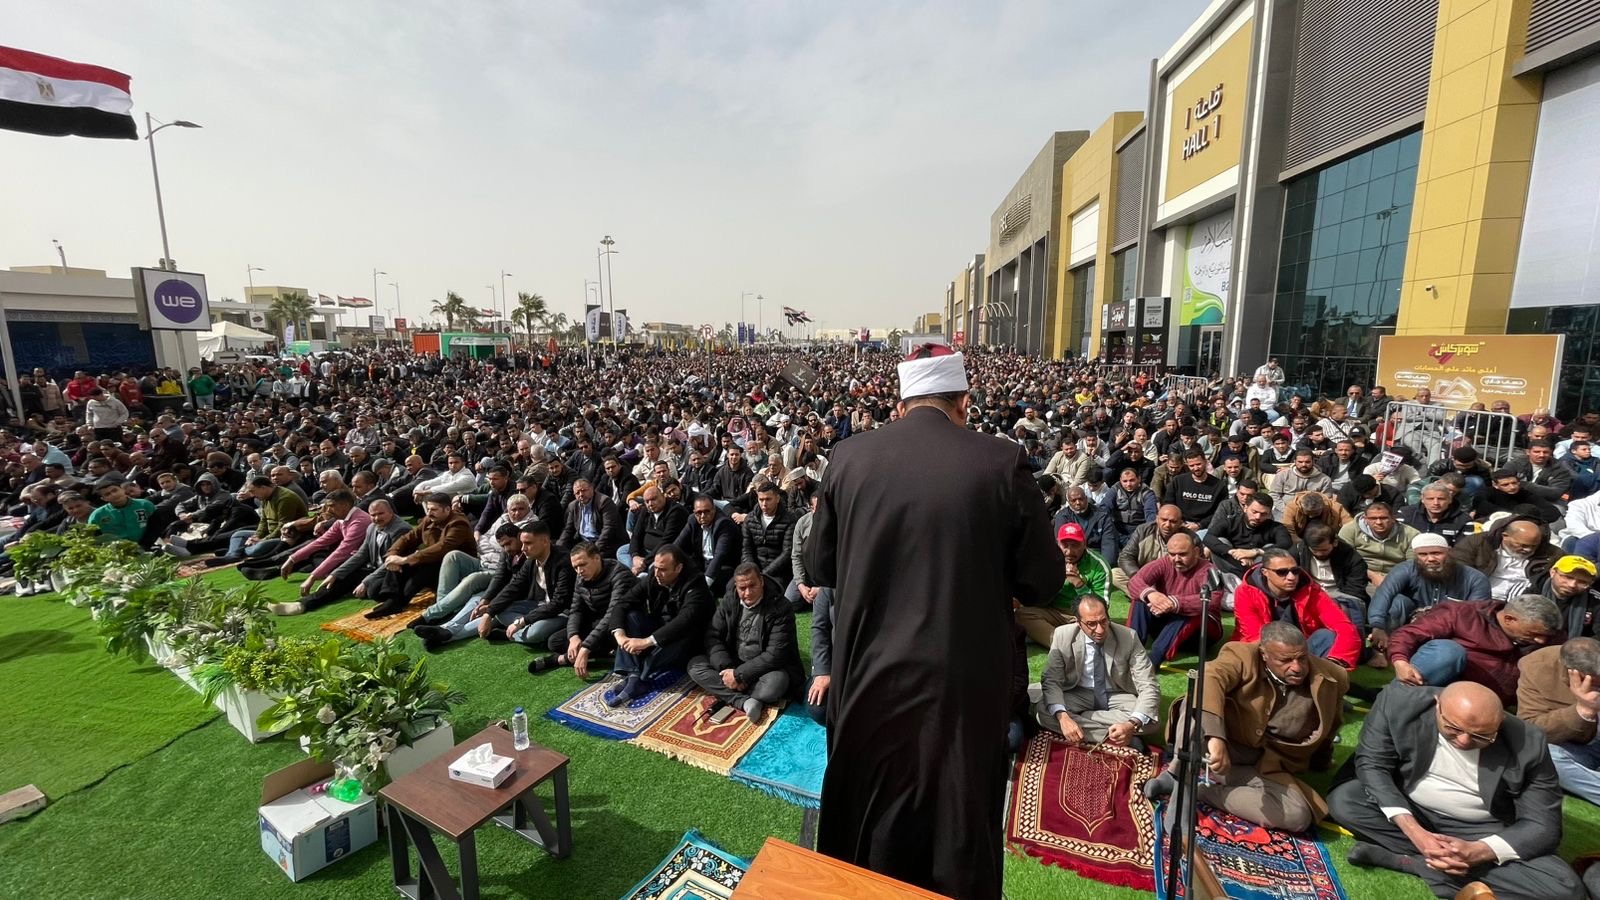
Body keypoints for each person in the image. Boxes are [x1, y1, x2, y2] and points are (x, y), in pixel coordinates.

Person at [803, 345, 1059, 900]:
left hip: (869, 677)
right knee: (957, 820)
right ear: (963, 403)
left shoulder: (848, 456)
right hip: (960, 685)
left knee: (867, 815)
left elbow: (819, 565)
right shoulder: (1001, 460)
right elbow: (1042, 581)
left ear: (901, 405)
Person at [1327, 681, 1582, 900]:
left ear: (1500, 723)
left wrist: (1478, 851)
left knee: (1565, 889)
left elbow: (1543, 824)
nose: (1463, 741)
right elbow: (1372, 764)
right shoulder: (1398, 703)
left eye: (1481, 737)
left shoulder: (1528, 741)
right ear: (1437, 705)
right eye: (1453, 728)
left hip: (1479, 827)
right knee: (1345, 802)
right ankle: (1436, 862)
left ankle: (1414, 863)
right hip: (1411, 806)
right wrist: (1415, 832)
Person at [1146, 623, 1347, 832]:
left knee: (1297, 816)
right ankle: (1182, 785)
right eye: (1285, 660)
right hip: (1223, 748)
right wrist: (1216, 738)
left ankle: (1202, 791)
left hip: (1267, 764)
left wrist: (1322, 761)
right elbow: (1209, 677)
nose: (1297, 667)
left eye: (1302, 658)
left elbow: (1330, 725)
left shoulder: (1331, 678)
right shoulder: (1241, 655)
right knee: (1194, 705)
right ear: (1264, 654)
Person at [1386, 594, 1564, 705]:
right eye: (1534, 634)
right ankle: (1394, 701)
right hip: (1444, 685)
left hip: (1492, 705)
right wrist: (1400, 661)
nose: (1541, 640)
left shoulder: (1550, 639)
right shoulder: (1462, 614)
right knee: (1448, 652)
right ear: (1509, 619)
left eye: (1546, 636)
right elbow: (1409, 633)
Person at [1033, 594, 1159, 747]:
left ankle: (1086, 718)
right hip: (1077, 693)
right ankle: (1111, 737)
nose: (1099, 629)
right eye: (1091, 624)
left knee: (1150, 720)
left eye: (1103, 621)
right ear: (1078, 622)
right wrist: (1063, 718)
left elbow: (1148, 684)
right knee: (1044, 711)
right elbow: (1052, 680)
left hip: (1116, 694)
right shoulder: (1062, 635)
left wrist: (1131, 724)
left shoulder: (1129, 637)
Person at [687, 563, 805, 722]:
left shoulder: (781, 607)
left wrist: (740, 676)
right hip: (733, 663)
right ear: (736, 587)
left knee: (776, 683)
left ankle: (731, 692)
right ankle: (744, 701)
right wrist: (727, 669)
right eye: (742, 588)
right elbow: (713, 636)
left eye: (752, 586)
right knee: (695, 666)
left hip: (765, 670)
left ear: (761, 581)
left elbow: (775, 655)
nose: (748, 592)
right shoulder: (730, 601)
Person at [604, 544, 713, 706]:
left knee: (681, 636)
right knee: (631, 616)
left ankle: (641, 678)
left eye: (663, 570)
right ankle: (633, 675)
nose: (657, 573)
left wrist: (646, 641)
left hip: (687, 639)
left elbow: (684, 621)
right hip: (659, 627)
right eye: (655, 568)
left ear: (678, 568)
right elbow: (623, 603)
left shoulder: (695, 585)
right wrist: (620, 636)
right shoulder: (654, 577)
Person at [271, 499, 410, 615]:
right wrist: (335, 574)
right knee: (339, 578)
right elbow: (361, 554)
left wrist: (366, 582)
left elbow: (391, 562)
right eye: (373, 515)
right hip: (372, 567)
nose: (377, 518)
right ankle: (302, 604)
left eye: (381, 514)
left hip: (392, 571)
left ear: (391, 512)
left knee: (373, 590)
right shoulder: (372, 527)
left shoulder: (401, 529)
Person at [1232, 547, 1362, 669]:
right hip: (1263, 652)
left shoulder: (1311, 590)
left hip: (1300, 652)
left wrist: (1336, 663)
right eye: (1282, 572)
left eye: (1295, 571)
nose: (1291, 577)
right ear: (1265, 572)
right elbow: (1254, 636)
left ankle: (1319, 676)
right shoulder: (1245, 592)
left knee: (1327, 636)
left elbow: (1343, 625)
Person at [1368, 533, 1494, 652]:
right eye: (1423, 554)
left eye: (1436, 553)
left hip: (1451, 629)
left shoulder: (1475, 578)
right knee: (1398, 601)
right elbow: (1384, 595)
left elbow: (1475, 617)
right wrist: (1378, 626)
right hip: (1409, 624)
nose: (1430, 559)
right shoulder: (1405, 569)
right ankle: (1383, 649)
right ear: (1415, 555)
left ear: (1449, 552)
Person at [1516, 637, 1600, 805]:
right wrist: (1582, 709)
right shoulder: (1538, 667)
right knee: (1542, 757)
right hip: (1579, 747)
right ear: (1573, 672)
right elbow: (1531, 730)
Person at [529, 541, 632, 676]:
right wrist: (573, 636)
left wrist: (586, 647)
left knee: (599, 640)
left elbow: (612, 615)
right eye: (575, 567)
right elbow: (576, 609)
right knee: (555, 642)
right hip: (596, 622)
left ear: (597, 558)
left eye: (583, 565)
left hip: (619, 626)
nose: (579, 571)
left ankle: (560, 660)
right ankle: (607, 653)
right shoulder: (581, 576)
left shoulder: (619, 574)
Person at [365, 493, 475, 617]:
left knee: (426, 568)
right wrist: (392, 555)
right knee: (375, 588)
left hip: (455, 570)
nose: (429, 513)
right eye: (428, 509)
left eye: (434, 509)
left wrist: (407, 559)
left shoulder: (458, 524)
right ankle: (392, 598)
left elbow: (442, 548)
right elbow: (408, 538)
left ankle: (398, 602)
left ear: (447, 509)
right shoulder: (429, 520)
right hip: (433, 561)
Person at [1017, 522, 1109, 648]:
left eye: (1075, 545)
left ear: (1085, 543)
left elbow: (1103, 607)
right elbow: (1035, 594)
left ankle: (1063, 641)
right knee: (1022, 615)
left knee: (1098, 625)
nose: (1069, 552)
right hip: (1053, 611)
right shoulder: (1047, 559)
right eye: (1065, 545)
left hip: (1081, 616)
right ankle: (1064, 646)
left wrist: (1079, 584)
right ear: (1057, 543)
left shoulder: (1099, 566)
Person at [1452, 515, 1561, 602]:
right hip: (1479, 596)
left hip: (1522, 602)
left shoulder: (1551, 553)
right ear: (1505, 536)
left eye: (1534, 546)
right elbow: (1460, 570)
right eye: (1523, 545)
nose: (1528, 549)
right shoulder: (1477, 543)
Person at [204, 476, 308, 566]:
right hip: (270, 533)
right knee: (238, 534)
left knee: (257, 549)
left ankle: (237, 551)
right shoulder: (266, 497)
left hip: (287, 536)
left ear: (263, 488)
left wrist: (263, 540)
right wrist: (257, 536)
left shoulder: (285, 498)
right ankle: (233, 554)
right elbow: (263, 521)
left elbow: (283, 526)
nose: (252, 494)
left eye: (253, 491)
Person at [1204, 493, 1293, 579]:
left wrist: (1256, 552)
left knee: (1272, 549)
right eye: (1254, 512)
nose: (1258, 517)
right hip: (1232, 562)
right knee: (1221, 541)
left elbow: (1286, 543)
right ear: (1245, 508)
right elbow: (1208, 537)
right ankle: (1229, 579)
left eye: (1263, 514)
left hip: (1259, 565)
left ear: (1270, 513)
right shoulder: (1230, 522)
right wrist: (1233, 552)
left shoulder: (1275, 527)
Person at [1113, 503, 1190, 595]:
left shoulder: (1190, 538)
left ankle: (1146, 597)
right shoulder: (1143, 530)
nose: (1167, 525)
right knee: (1115, 574)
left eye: (1173, 521)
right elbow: (1125, 556)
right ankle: (1148, 596)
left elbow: (1197, 567)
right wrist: (1137, 577)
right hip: (1144, 577)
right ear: (1157, 519)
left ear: (1180, 523)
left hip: (1174, 581)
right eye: (1164, 520)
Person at [1339, 501, 1417, 588]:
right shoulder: (1350, 530)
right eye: (1373, 518)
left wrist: (1392, 579)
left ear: (1393, 518)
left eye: (1384, 518)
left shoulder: (1411, 534)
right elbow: (1345, 561)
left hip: (1398, 577)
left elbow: (1412, 565)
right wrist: (1372, 576)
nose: (1379, 522)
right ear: (1365, 519)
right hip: (1361, 575)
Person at [739, 481, 795, 586]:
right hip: (754, 568)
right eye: (761, 500)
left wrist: (764, 574)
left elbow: (787, 553)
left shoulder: (789, 519)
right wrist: (752, 571)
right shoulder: (750, 519)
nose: (764, 504)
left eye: (768, 499)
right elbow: (746, 549)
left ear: (777, 499)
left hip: (779, 571)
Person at [621, 485, 687, 573]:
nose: (650, 504)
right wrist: (635, 556)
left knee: (656, 567)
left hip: (663, 553)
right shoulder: (646, 510)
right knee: (622, 551)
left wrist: (645, 562)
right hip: (644, 550)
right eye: (647, 501)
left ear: (663, 496)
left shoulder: (676, 511)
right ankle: (638, 569)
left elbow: (667, 541)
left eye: (653, 499)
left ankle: (640, 571)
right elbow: (636, 535)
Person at [559, 478, 626, 557]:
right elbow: (568, 530)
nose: (581, 494)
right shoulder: (573, 506)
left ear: (591, 489)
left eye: (583, 490)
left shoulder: (604, 502)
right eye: (577, 493)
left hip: (606, 544)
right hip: (584, 543)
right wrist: (559, 547)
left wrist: (593, 550)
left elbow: (608, 529)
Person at [1398, 483, 1474, 546]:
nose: (1436, 503)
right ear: (1422, 499)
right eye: (1430, 499)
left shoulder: (1464, 520)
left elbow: (1464, 550)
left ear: (1450, 500)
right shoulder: (1405, 514)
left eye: (1441, 499)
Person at [1543, 555, 1599, 639]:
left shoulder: (1596, 602)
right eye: (1568, 577)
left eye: (1582, 582)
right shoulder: (1534, 591)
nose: (1572, 585)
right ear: (1552, 572)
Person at [87, 476, 155, 544]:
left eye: (115, 490)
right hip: (117, 549)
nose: (114, 495)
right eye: (107, 494)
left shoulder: (144, 504)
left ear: (122, 490)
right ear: (104, 499)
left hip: (149, 544)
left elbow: (157, 525)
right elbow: (93, 538)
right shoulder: (97, 515)